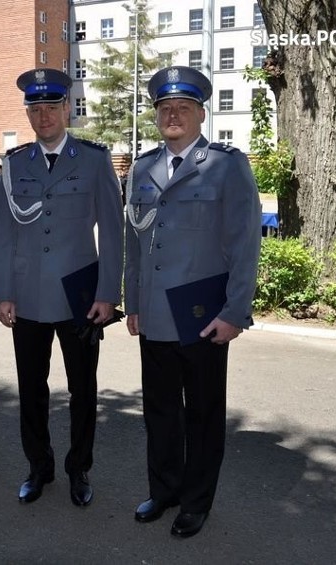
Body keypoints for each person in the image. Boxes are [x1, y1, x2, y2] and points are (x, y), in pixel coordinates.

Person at [124, 66, 261, 538]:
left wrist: (234, 312)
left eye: (183, 107)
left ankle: (196, 502)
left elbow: (245, 244)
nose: (173, 115)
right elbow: (134, 243)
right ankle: (164, 491)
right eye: (165, 109)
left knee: (202, 414)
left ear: (201, 114)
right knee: (159, 410)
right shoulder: (142, 168)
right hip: (156, 313)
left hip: (203, 315)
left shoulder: (226, 164)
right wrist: (132, 302)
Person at [0, 68, 124, 507]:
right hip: (27, 295)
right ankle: (38, 467)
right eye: (35, 108)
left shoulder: (93, 160)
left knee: (83, 389)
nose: (43, 115)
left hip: (79, 296)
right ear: (28, 113)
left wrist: (108, 293)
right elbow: (3, 234)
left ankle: (79, 468)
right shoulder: (13, 165)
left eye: (52, 106)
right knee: (31, 389)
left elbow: (113, 230)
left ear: (68, 108)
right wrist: (2, 292)